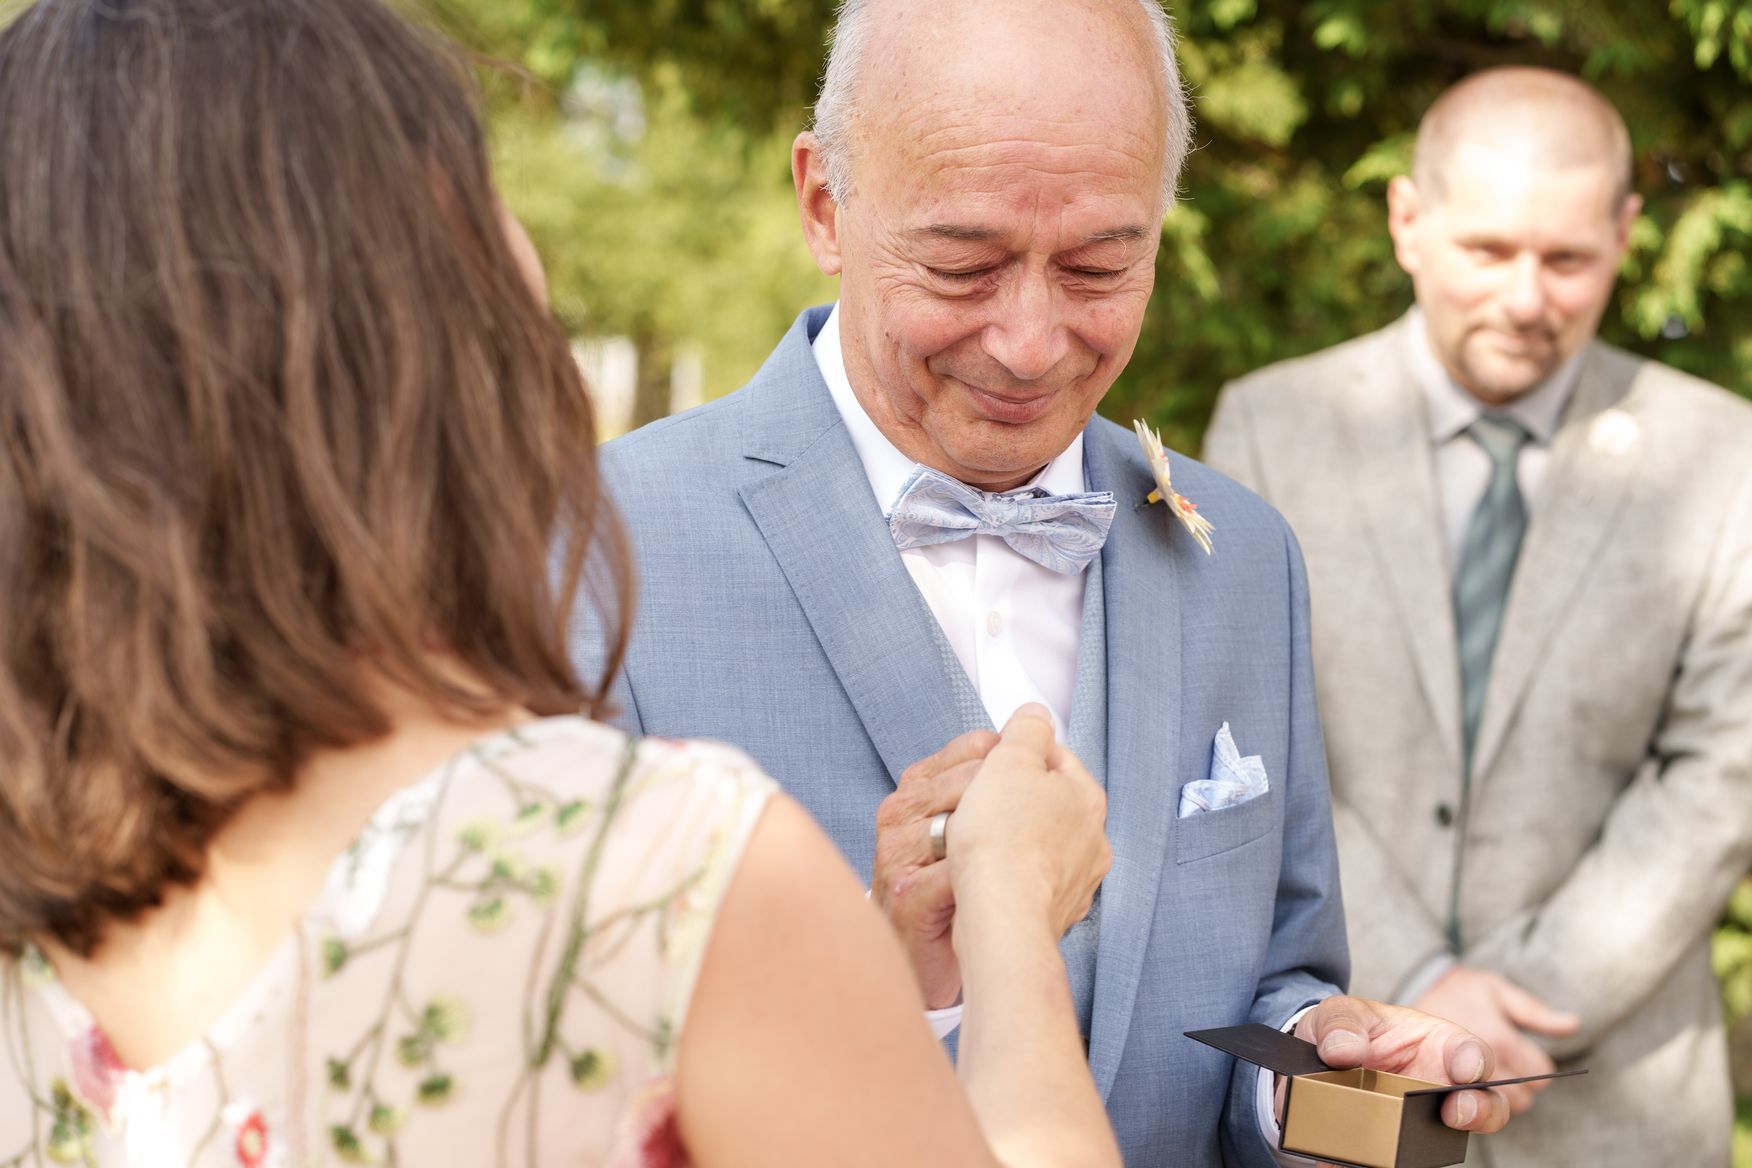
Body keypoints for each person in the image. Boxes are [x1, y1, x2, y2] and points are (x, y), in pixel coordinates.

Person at [0, 0, 1152, 1164]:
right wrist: (1009, 914)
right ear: (400, 313)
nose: (1028, 340)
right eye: (468, 170)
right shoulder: (668, 875)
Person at [584, 0, 1512, 1162]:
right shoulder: (597, 547)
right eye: (963, 266)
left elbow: (1276, 977)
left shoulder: (1243, 554)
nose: (1029, 344)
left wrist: (1319, 1076)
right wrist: (901, 985)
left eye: (1098, 267)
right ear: (825, 204)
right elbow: (557, 1079)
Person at [1205, 65, 1752, 1167]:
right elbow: (1241, 736)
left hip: (1617, 1102)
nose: (1525, 299)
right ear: (1408, 221)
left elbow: (1725, 764)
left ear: (1625, 234)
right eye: (1489, 252)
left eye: (1568, 261)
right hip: (1348, 1073)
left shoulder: (1726, 453)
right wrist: (1414, 981)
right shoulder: (1269, 428)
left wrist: (1532, 992)